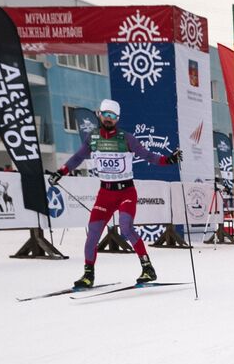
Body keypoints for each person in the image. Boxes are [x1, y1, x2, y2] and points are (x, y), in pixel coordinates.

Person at [49, 98, 181, 288]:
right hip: (105, 192)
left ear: (117, 118)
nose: (108, 119)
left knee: (126, 228)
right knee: (93, 232)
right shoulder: (93, 138)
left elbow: (148, 156)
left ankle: (147, 268)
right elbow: (78, 157)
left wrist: (168, 160)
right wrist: (60, 172)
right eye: (106, 114)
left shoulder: (126, 138)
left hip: (126, 191)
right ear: (99, 115)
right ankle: (88, 275)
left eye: (112, 116)